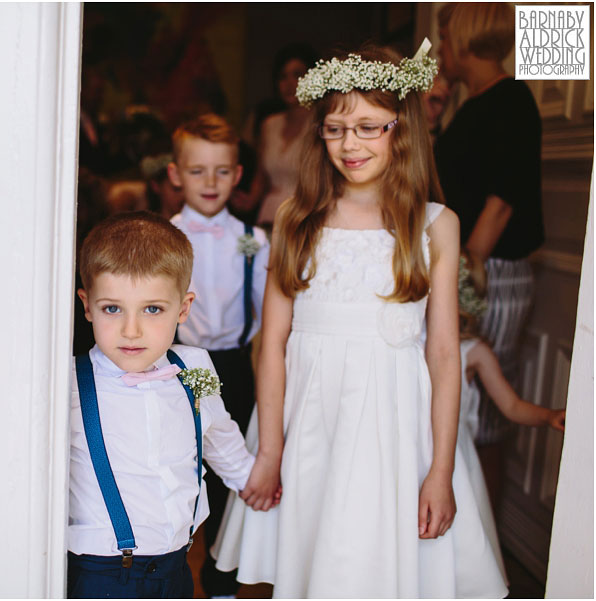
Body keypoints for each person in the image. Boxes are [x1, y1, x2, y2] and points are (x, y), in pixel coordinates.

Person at [211, 43, 508, 598]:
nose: (351, 144)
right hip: (308, 421)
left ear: (403, 129)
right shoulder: (296, 219)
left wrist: (439, 470)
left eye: (370, 127)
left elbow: (443, 354)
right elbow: (269, 344)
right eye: (335, 128)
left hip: (395, 427)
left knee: (378, 563)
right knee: (305, 557)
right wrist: (271, 451)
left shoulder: (435, 224)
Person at [68, 212, 275, 599]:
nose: (132, 330)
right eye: (113, 308)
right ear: (87, 305)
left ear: (183, 308)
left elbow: (221, 438)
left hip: (176, 567)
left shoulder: (194, 366)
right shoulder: (68, 385)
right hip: (100, 573)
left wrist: (258, 483)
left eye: (152, 309)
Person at [434, 2, 545, 509]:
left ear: (463, 36)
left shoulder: (511, 99)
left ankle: (484, 551)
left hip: (488, 271)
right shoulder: (472, 103)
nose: (440, 50)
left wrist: (462, 271)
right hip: (469, 267)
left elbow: (501, 202)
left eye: (444, 36)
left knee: (484, 420)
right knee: (458, 412)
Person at [165, 114, 271, 597]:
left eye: (222, 171)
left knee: (230, 466)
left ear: (239, 174)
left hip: (232, 366)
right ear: (175, 174)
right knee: (185, 466)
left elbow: (267, 313)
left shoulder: (253, 240)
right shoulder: (161, 237)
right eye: (197, 171)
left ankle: (221, 579)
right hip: (179, 364)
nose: (210, 183)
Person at [454, 249, 565, 587]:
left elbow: (512, 406)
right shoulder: (407, 343)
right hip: (406, 456)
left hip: (456, 462)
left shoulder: (474, 352)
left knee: (461, 546)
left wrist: (548, 415)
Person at [232, 43, 320, 230]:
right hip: (269, 215)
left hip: (305, 216)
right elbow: (261, 176)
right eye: (282, 77)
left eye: (297, 75)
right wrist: (248, 201)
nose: (289, 84)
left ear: (312, 77)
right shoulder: (269, 124)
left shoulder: (323, 123)